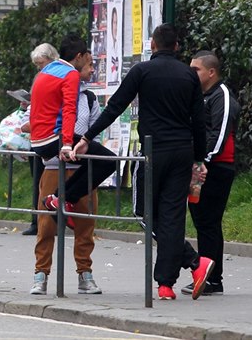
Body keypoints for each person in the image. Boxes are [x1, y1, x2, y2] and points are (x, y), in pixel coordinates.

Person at [73, 24, 214, 301]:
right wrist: (198, 158)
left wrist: (88, 136)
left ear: (152, 44)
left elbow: (116, 106)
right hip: (182, 152)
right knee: (172, 216)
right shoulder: (188, 75)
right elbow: (199, 121)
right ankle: (166, 283)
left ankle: (194, 262)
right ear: (176, 47)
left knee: (143, 211)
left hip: (153, 151)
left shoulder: (142, 71)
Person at [28, 34, 116, 295]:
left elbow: (93, 132)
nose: (90, 70)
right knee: (46, 226)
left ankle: (84, 274)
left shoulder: (88, 99)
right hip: (56, 166)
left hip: (82, 171)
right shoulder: (57, 84)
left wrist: (83, 144)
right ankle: (41, 274)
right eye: (89, 64)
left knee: (85, 225)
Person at [180, 51, 241, 296]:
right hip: (200, 166)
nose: (192, 73)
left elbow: (220, 132)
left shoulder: (222, 96)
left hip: (217, 167)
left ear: (211, 72)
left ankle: (213, 279)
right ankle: (208, 276)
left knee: (209, 222)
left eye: (196, 70)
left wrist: (203, 159)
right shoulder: (201, 96)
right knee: (202, 221)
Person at [21, 43, 59, 236]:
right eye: (37, 65)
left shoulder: (59, 76)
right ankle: (37, 220)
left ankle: (52, 220)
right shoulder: (40, 78)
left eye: (41, 63)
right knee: (38, 180)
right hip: (36, 135)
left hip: (51, 134)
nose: (39, 68)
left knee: (51, 180)